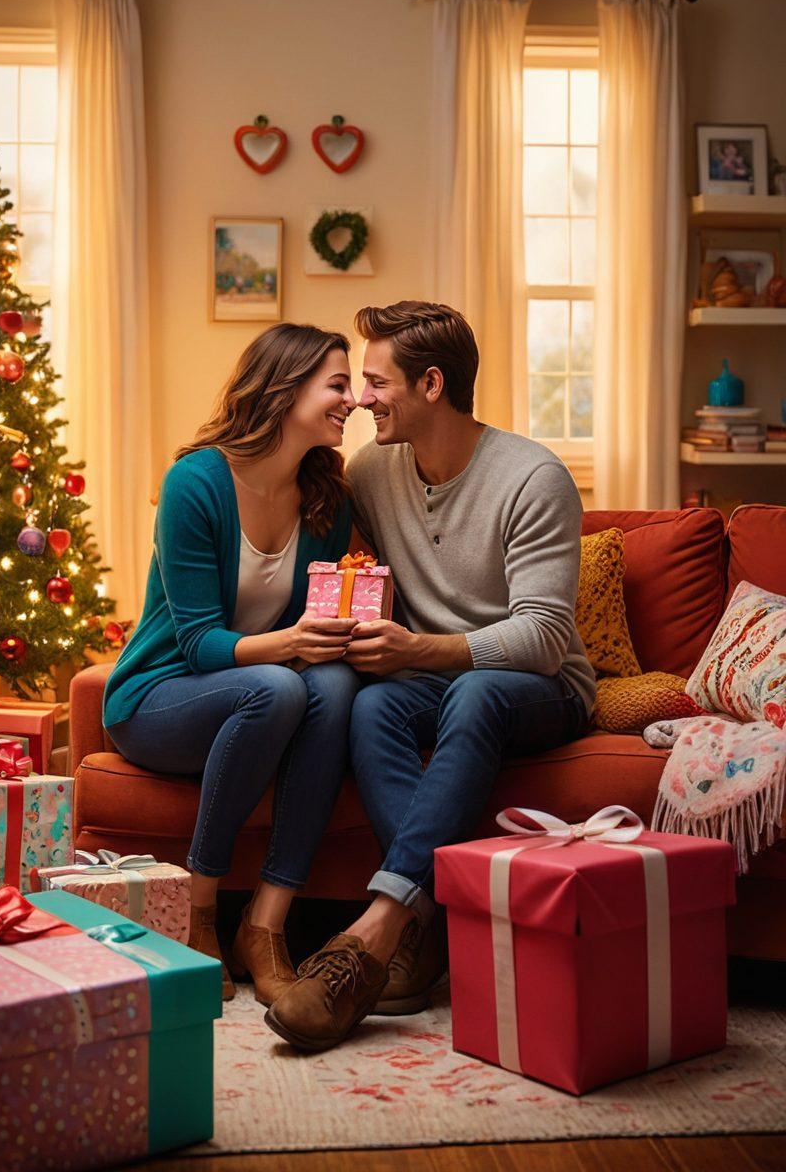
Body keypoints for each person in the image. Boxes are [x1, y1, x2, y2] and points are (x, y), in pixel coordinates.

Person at [265, 301, 596, 1051]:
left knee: (472, 688)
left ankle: (378, 932)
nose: (359, 400)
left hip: (541, 688)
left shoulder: (533, 478)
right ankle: (428, 924)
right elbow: (333, 547)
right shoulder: (375, 472)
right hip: (438, 680)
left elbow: (545, 637)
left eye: (376, 382)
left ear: (433, 385)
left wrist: (418, 650)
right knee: (372, 707)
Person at [103, 323, 360, 1003]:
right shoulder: (196, 483)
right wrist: (297, 644)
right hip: (161, 697)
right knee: (278, 688)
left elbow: (314, 638)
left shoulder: (327, 499)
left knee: (333, 684)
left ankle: (266, 924)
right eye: (338, 384)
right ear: (287, 387)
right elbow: (197, 643)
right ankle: (199, 911)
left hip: (259, 695)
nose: (353, 399)